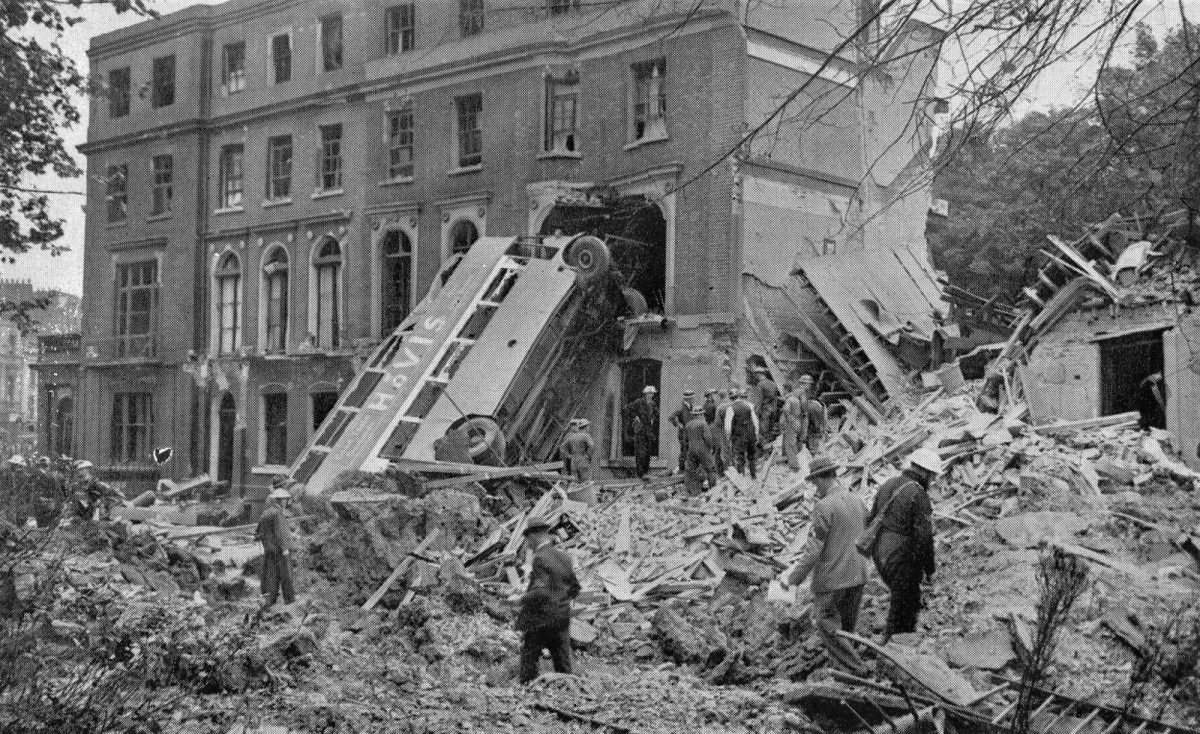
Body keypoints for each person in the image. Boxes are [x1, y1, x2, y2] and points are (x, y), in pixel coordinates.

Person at [783, 456, 869, 674]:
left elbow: (813, 550)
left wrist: (793, 580)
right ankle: (846, 670)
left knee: (825, 621)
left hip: (833, 578)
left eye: (814, 483)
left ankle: (856, 669)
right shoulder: (856, 499)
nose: (814, 488)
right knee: (846, 627)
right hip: (858, 573)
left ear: (820, 480)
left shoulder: (824, 506)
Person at [867, 448, 939, 643]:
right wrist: (929, 569)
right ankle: (894, 645)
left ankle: (893, 638)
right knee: (905, 604)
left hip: (879, 552)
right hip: (898, 554)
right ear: (926, 472)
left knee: (905, 597)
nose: (932, 482)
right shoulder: (917, 493)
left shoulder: (887, 484)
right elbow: (924, 538)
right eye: (932, 477)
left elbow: (870, 518)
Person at [517, 518, 580, 683]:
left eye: (527, 539)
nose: (527, 544)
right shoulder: (565, 557)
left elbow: (541, 591)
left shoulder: (539, 558)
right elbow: (575, 587)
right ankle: (572, 697)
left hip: (541, 620)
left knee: (529, 662)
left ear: (534, 536)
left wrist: (521, 599)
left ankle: (527, 695)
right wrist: (562, 602)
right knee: (563, 665)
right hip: (562, 618)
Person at [255, 479, 297, 608]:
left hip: (269, 549)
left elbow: (258, 531)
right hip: (279, 550)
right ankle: (289, 599)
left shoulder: (267, 512)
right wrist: (285, 548)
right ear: (280, 500)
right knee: (286, 574)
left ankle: (270, 599)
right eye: (285, 500)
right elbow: (280, 533)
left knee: (271, 574)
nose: (286, 502)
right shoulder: (278, 513)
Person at [683, 405, 720, 495]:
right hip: (703, 449)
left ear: (693, 415)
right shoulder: (703, 423)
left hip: (691, 449)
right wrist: (711, 447)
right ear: (700, 414)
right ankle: (713, 491)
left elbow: (685, 440)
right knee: (711, 469)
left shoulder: (688, 424)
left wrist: (689, 449)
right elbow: (708, 438)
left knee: (692, 470)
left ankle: (694, 492)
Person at [725, 387, 760, 479]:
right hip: (751, 434)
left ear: (730, 398)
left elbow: (728, 427)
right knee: (751, 456)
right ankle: (753, 475)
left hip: (739, 436)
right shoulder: (749, 405)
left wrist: (728, 437)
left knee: (740, 457)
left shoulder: (730, 409)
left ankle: (742, 478)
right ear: (739, 396)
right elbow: (755, 421)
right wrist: (756, 433)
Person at [624, 386, 657, 479]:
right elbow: (626, 410)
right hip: (640, 430)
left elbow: (656, 413)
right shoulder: (639, 402)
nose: (651, 395)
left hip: (648, 431)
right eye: (649, 393)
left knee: (648, 452)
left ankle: (646, 472)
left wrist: (653, 419)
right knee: (640, 452)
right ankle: (640, 473)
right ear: (645, 394)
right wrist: (635, 417)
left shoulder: (653, 404)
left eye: (652, 393)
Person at [669, 388, 697, 473]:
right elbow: (671, 417)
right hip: (683, 433)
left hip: (689, 433)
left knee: (688, 450)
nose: (693, 399)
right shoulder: (681, 407)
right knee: (684, 451)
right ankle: (681, 469)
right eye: (692, 398)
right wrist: (679, 425)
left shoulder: (691, 407)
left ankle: (687, 469)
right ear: (688, 399)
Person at [780, 385, 806, 472]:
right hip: (797, 423)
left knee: (790, 445)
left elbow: (786, 411)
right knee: (789, 443)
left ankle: (795, 466)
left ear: (786, 390)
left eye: (784, 390)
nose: (783, 392)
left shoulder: (789, 400)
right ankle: (786, 460)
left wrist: (790, 420)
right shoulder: (796, 399)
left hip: (791, 425)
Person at [754, 368, 780, 444]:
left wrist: (756, 413)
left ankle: (764, 452)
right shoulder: (773, 383)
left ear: (759, 374)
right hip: (773, 410)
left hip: (765, 411)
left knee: (763, 433)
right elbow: (775, 398)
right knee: (770, 433)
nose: (755, 376)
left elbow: (759, 400)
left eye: (756, 374)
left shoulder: (760, 384)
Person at [711, 390, 732, 475]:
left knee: (724, 452)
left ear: (720, 397)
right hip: (735, 430)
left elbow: (717, 422)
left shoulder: (720, 407)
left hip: (724, 431)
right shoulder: (733, 404)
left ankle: (727, 472)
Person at [803, 387, 827, 453]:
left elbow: (806, 421)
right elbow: (824, 419)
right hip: (818, 430)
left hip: (812, 431)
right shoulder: (819, 405)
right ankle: (820, 454)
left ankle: (814, 455)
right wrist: (824, 430)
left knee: (812, 448)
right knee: (818, 446)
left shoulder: (808, 405)